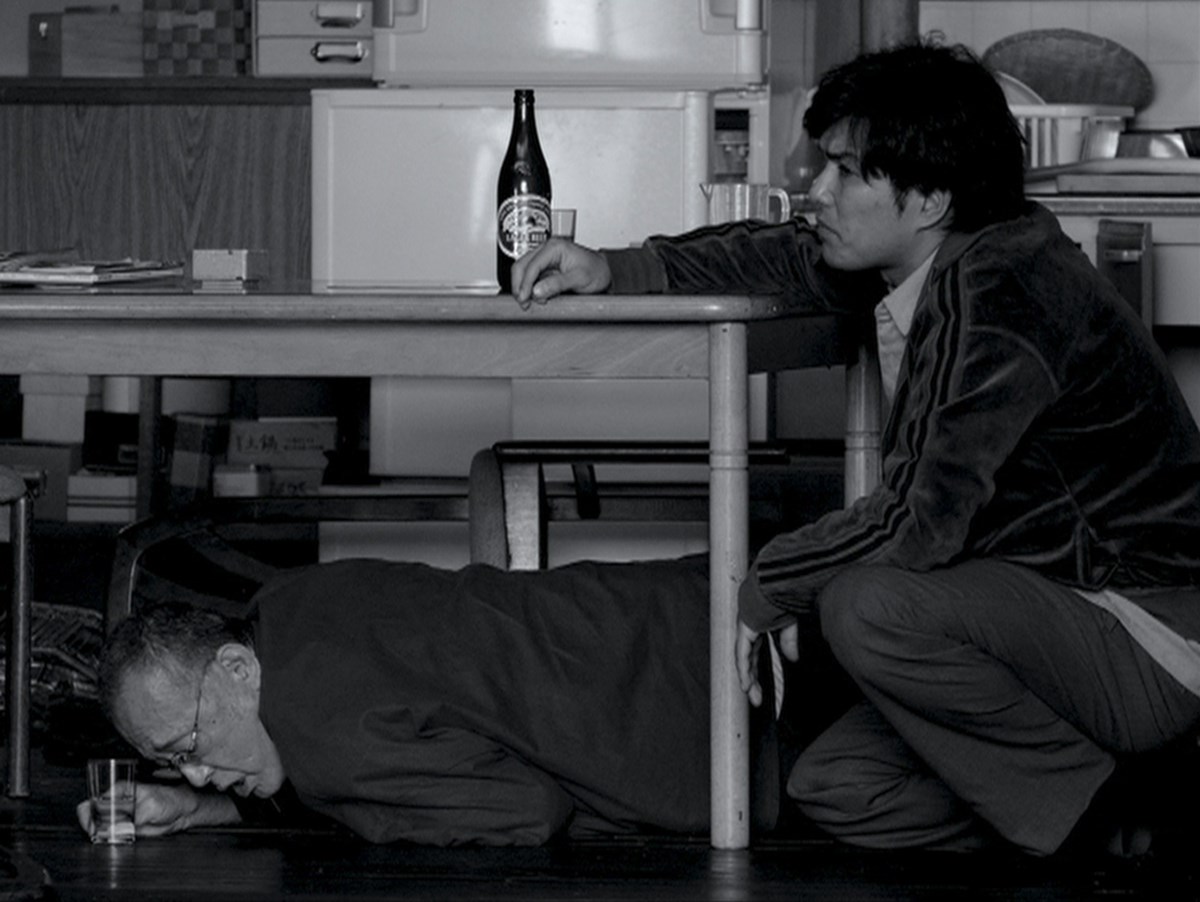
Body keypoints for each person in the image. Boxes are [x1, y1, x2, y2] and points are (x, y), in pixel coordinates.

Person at [512, 40, 1200, 857]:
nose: (818, 192)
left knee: (864, 605)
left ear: (931, 197)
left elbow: (919, 524)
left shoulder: (1003, 287)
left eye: (845, 172)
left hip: (1143, 633)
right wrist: (616, 268)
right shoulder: (936, 254)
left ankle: (1119, 815)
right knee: (840, 788)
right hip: (1039, 621)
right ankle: (1112, 806)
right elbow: (779, 254)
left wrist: (769, 584)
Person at [78, 554, 781, 846]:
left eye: (189, 748)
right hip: (709, 598)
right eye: (175, 765)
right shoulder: (288, 604)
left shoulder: (322, 744)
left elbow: (529, 812)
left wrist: (356, 814)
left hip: (735, 719)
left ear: (235, 667)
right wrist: (196, 808)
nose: (198, 773)